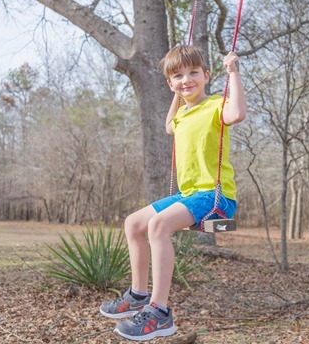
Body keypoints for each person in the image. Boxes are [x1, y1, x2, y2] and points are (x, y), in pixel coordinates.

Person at [99, 45, 247, 341]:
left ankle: (159, 311)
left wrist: (234, 72)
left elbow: (238, 113)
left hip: (215, 196)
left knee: (158, 225)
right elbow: (169, 126)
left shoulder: (217, 104)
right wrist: (178, 95)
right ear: (170, 84)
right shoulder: (182, 114)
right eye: (178, 76)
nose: (186, 79)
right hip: (189, 194)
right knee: (133, 223)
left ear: (206, 76)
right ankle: (139, 295)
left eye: (193, 73)